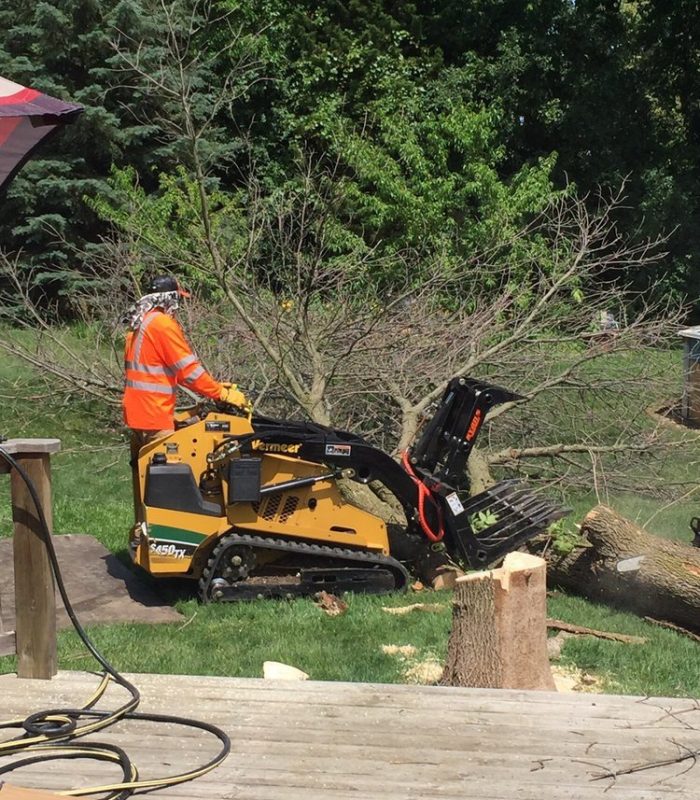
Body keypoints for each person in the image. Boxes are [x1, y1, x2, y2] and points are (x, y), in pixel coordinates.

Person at [123, 275, 249, 517]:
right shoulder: (162, 325)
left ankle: (142, 539)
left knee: (146, 490)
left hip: (138, 416)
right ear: (170, 299)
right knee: (170, 494)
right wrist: (221, 393)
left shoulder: (140, 324)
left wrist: (209, 389)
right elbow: (187, 370)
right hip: (155, 417)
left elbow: (157, 371)